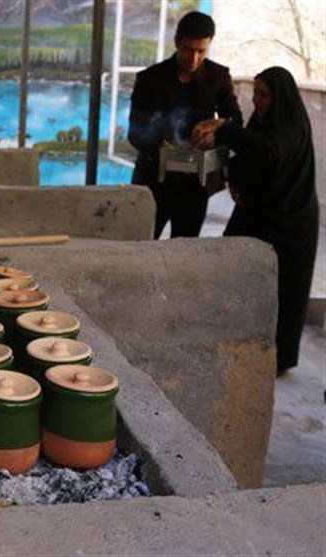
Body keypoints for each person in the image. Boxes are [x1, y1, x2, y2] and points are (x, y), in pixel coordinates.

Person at [193, 67, 319, 375]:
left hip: (289, 224)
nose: (257, 101)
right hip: (256, 215)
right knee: (231, 273)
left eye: (264, 95)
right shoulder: (263, 122)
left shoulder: (290, 128)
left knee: (283, 293)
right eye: (255, 93)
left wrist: (224, 128)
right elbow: (250, 157)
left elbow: (269, 152)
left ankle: (277, 358)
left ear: (279, 98)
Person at [128, 11, 243, 239]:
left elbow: (235, 120)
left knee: (185, 247)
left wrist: (216, 128)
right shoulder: (150, 79)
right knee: (142, 244)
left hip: (195, 185)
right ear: (177, 42)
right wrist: (162, 149)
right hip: (154, 180)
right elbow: (135, 132)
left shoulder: (218, 76)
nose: (194, 59)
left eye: (201, 51)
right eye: (188, 50)